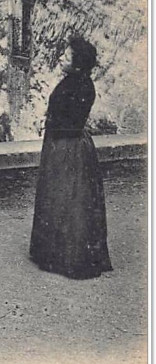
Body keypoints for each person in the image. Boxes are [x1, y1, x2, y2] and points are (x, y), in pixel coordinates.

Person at [30, 35, 112, 279]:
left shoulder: (81, 86)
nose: (61, 59)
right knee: (60, 199)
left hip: (69, 148)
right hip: (62, 145)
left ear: (77, 65)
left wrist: (51, 123)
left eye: (66, 57)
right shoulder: (74, 81)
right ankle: (54, 253)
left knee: (69, 201)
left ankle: (68, 257)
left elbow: (71, 120)